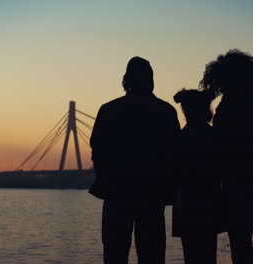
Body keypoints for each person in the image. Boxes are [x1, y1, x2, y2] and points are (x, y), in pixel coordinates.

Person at [89, 56, 181, 264]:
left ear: (126, 80)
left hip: (116, 193)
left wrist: (105, 178)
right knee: (152, 255)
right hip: (152, 195)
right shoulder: (165, 112)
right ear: (151, 80)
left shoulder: (109, 110)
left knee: (114, 253)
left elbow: (98, 149)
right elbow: (175, 154)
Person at [199, 49, 253, 264]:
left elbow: (222, 146)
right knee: (242, 239)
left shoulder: (230, 106)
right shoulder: (246, 103)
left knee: (239, 240)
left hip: (240, 180)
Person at [172, 89, 225, 264]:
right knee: (208, 254)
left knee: (191, 254)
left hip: (187, 204)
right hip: (210, 203)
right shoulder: (213, 135)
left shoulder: (182, 136)